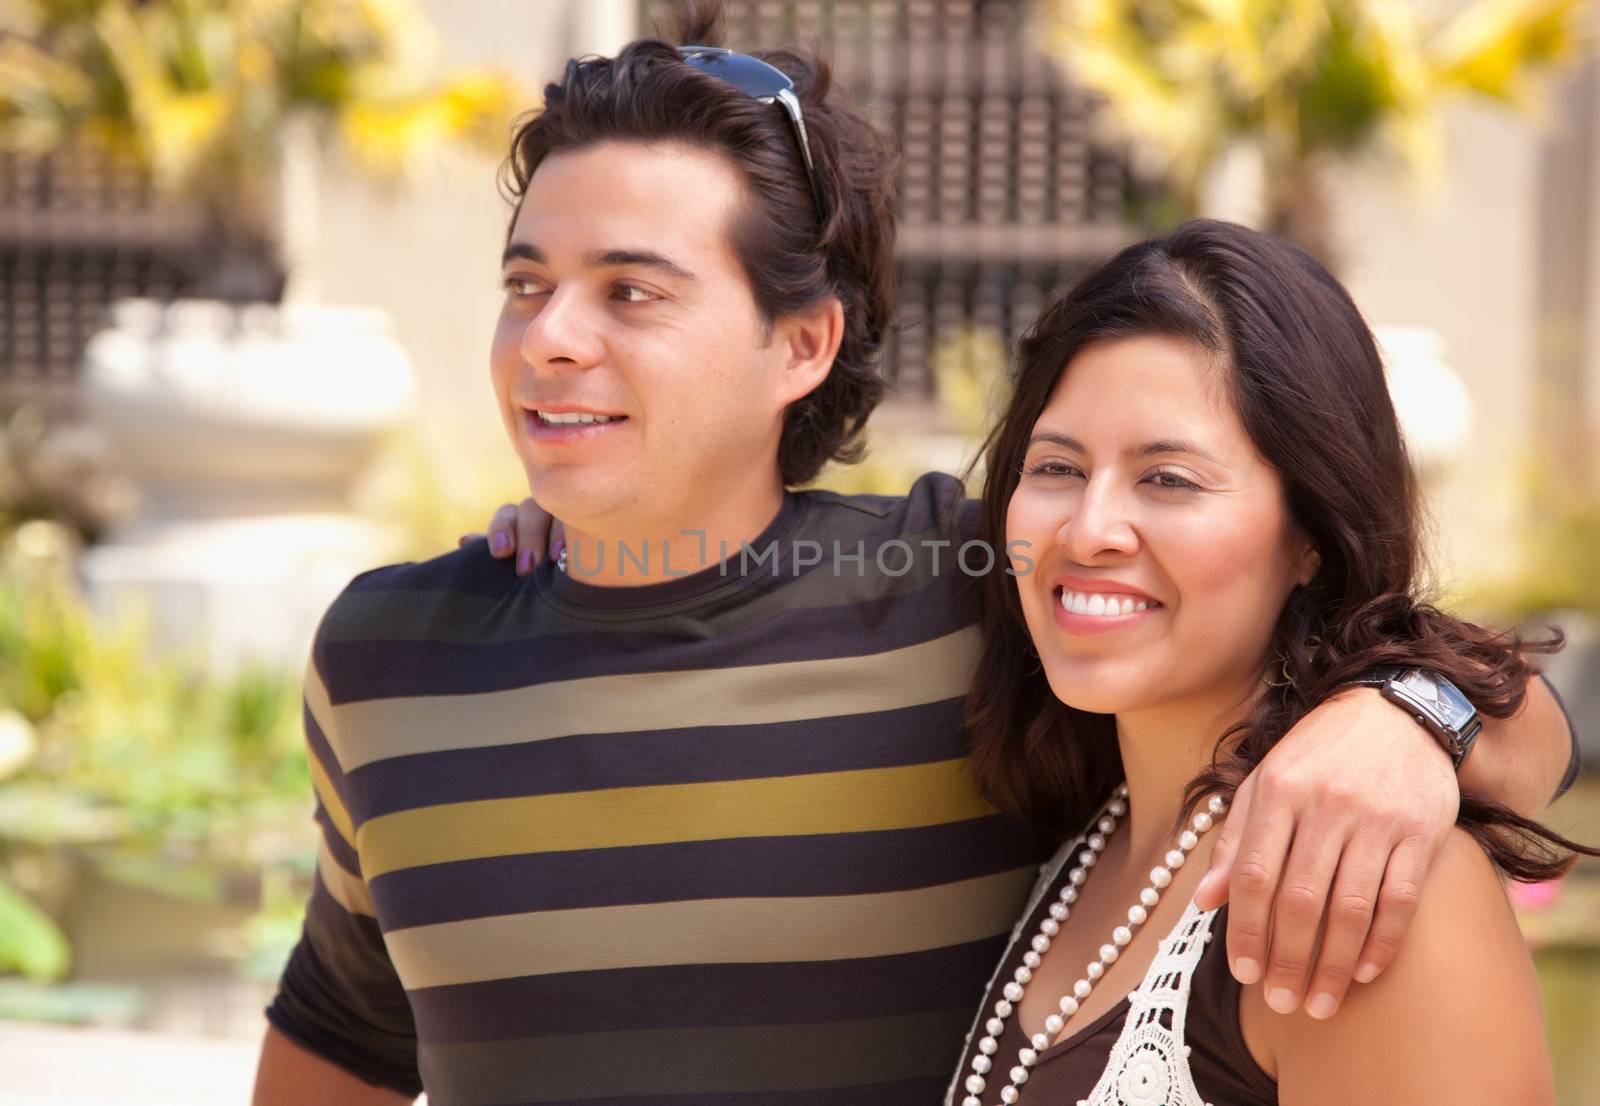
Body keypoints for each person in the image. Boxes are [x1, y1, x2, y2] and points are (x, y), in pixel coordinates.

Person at [251, 5, 1579, 1104]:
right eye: (527, 283)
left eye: (631, 291)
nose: (547, 338)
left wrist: (1409, 714)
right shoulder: (388, 656)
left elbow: (1484, 682)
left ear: (803, 345)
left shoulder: (971, 594)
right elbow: (343, 1037)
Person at [945, 220, 1592, 1106]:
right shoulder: (1079, 836)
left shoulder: (1371, 883)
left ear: (1311, 539)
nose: (1088, 531)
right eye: (1056, 466)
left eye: (1168, 478)